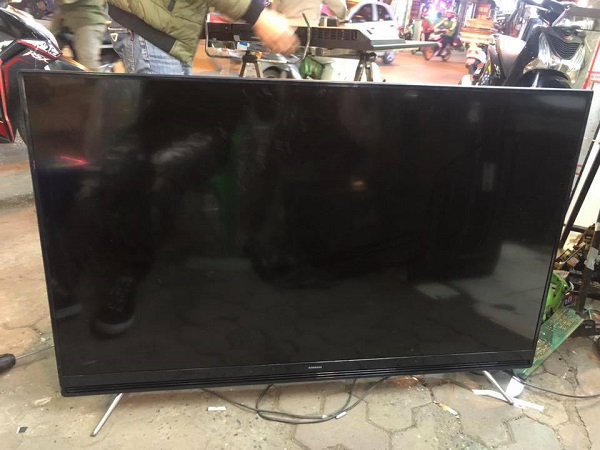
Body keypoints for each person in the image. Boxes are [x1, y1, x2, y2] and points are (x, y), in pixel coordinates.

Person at [107, 0, 299, 75]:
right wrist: (257, 14)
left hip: (168, 29)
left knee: (169, 132)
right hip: (152, 27)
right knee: (165, 133)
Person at [51, 0, 108, 71]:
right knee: (45, 53)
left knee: (88, 64)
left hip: (87, 20)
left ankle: (93, 78)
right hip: (64, 19)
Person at [270, 0, 347, 26]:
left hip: (283, 31)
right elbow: (339, 6)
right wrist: (343, 19)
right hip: (308, 34)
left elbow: (274, 10)